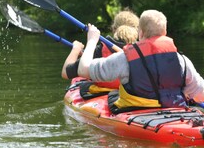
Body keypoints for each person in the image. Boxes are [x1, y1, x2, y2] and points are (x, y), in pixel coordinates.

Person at [75, 10, 204, 113]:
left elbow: (83, 70)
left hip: (135, 112)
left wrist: (92, 41)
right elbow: (200, 93)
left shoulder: (124, 58)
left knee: (113, 95)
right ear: (165, 32)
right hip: (175, 112)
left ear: (140, 33)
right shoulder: (182, 61)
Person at [61, 10, 139, 96]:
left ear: (113, 29)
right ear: (138, 31)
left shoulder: (101, 50)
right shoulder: (142, 51)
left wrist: (75, 49)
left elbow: (66, 73)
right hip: (134, 97)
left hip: (104, 93)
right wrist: (86, 55)